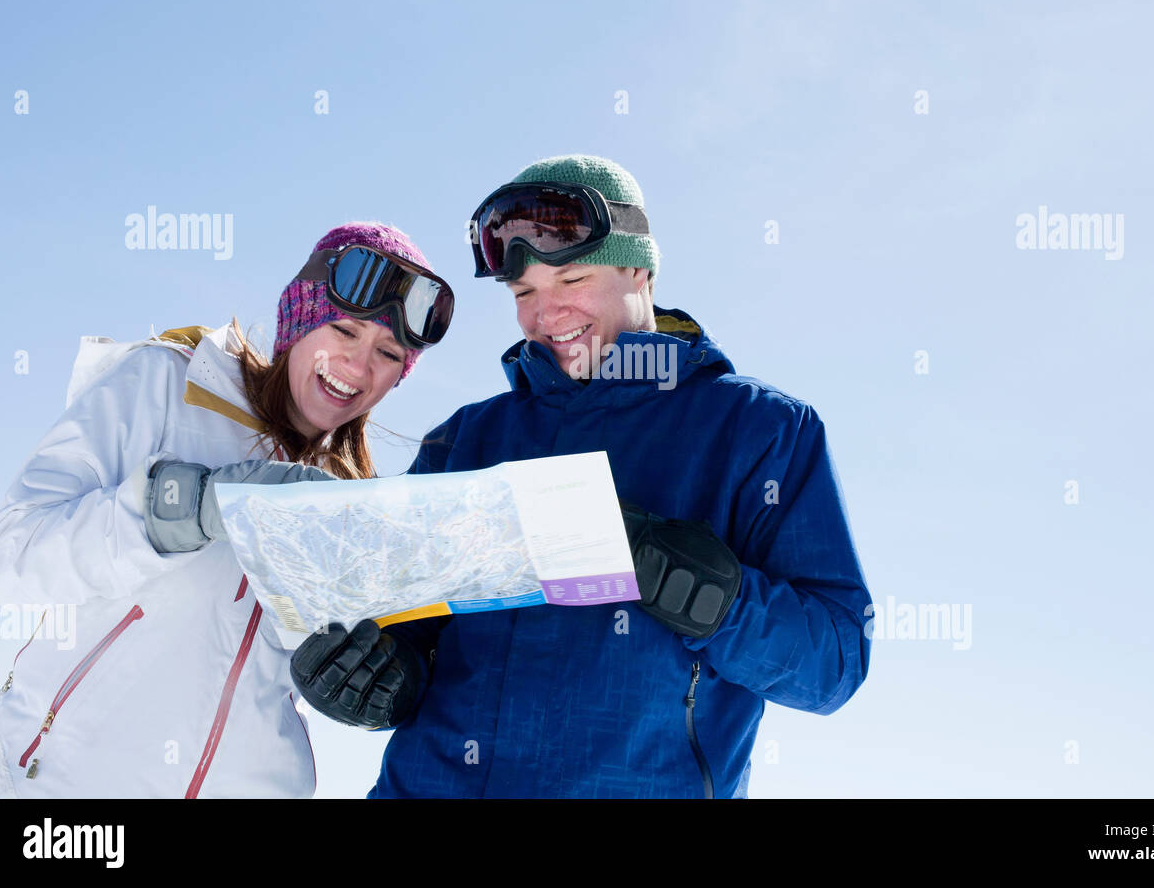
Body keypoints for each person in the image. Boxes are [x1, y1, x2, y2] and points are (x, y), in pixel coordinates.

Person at [291, 156, 873, 798]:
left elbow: (833, 664)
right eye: (523, 295)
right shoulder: (466, 439)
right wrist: (373, 679)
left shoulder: (759, 431)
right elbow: (408, 631)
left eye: (570, 277)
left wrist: (709, 595)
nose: (548, 314)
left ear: (639, 269)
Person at [0, 221, 454, 797]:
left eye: (387, 353)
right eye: (345, 330)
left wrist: (370, 683)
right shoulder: (165, 382)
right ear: (298, 320)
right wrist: (188, 506)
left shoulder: (346, 504)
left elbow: (341, 673)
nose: (357, 367)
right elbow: (6, 559)